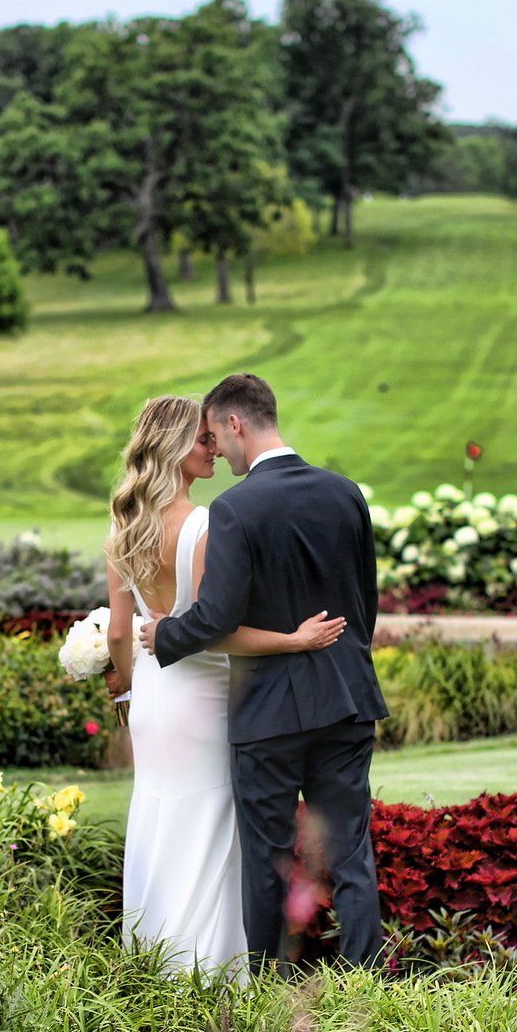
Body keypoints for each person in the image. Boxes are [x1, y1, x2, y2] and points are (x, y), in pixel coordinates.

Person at [140, 374, 389, 969]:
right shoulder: (345, 492)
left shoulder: (235, 508)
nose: (216, 451)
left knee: (269, 858)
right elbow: (365, 602)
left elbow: (216, 617)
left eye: (215, 437)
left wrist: (164, 635)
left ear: (235, 425)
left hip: (268, 717)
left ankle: (272, 985)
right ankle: (366, 987)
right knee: (351, 854)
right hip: (348, 702)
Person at [104, 394, 345, 979]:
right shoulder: (206, 526)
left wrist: (129, 697)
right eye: (202, 439)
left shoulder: (123, 529)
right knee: (211, 830)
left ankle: (152, 967)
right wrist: (293, 640)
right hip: (206, 698)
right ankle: (209, 975)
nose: (213, 447)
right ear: (174, 448)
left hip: (153, 701)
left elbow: (118, 636)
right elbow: (214, 632)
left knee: (160, 822)